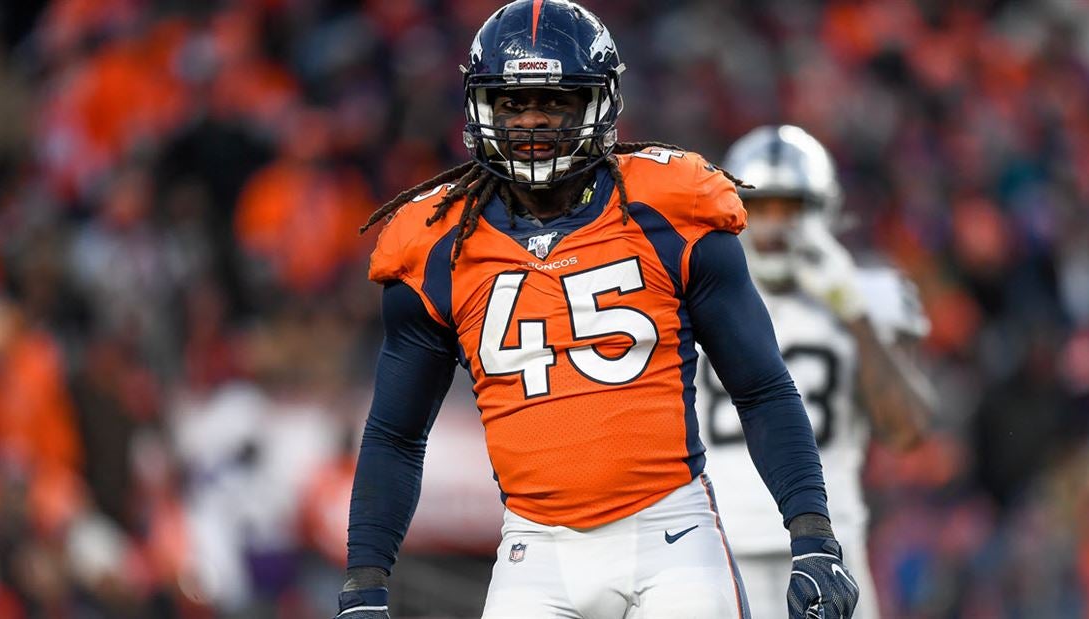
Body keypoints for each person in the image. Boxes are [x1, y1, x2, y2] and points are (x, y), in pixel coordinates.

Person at [336, 2, 858, 617]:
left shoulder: (671, 208)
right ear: (481, 109)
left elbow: (762, 387)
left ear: (597, 105)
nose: (531, 121)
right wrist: (364, 585)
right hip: (534, 551)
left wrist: (812, 536)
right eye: (511, 102)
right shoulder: (434, 244)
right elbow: (396, 435)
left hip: (672, 538)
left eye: (554, 102)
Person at [699, 124, 934, 619]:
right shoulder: (695, 293)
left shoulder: (869, 294)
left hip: (831, 547)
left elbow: (909, 430)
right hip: (713, 550)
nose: (775, 226)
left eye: (792, 209)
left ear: (823, 210)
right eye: (761, 208)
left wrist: (854, 313)